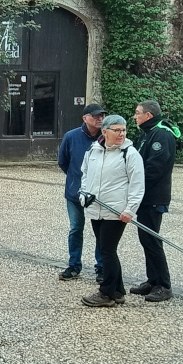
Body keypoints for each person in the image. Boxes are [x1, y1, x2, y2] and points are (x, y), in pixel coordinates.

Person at [79, 115, 145, 307]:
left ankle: (106, 293)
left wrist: (130, 210)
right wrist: (83, 195)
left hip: (115, 211)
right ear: (105, 131)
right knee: (106, 249)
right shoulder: (93, 151)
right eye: (117, 130)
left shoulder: (130, 154)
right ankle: (117, 290)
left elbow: (137, 185)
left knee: (107, 250)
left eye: (124, 130)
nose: (121, 134)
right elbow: (85, 174)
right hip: (95, 208)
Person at [131, 100, 179, 302]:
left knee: (152, 239)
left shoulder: (161, 134)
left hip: (153, 196)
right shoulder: (147, 132)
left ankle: (163, 285)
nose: (135, 116)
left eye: (137, 113)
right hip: (144, 195)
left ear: (148, 115)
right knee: (146, 239)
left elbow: (154, 168)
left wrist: (135, 185)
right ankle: (152, 280)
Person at [56, 103, 106, 279]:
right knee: (76, 228)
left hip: (98, 195)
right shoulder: (71, 136)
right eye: (95, 116)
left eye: (102, 116)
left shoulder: (107, 136)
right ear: (85, 118)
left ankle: (101, 267)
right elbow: (63, 162)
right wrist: (75, 180)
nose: (100, 119)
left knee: (100, 231)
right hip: (75, 193)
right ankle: (74, 265)